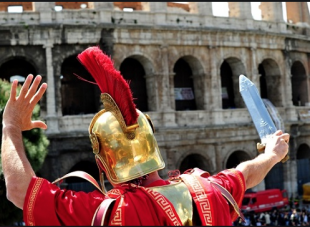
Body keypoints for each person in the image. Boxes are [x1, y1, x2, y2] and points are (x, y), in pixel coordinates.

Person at [1, 46, 290, 226]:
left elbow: (18, 190)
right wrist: (272, 155)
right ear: (151, 144)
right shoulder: (210, 189)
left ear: (105, 165)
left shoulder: (108, 213)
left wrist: (11, 126)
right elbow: (245, 173)